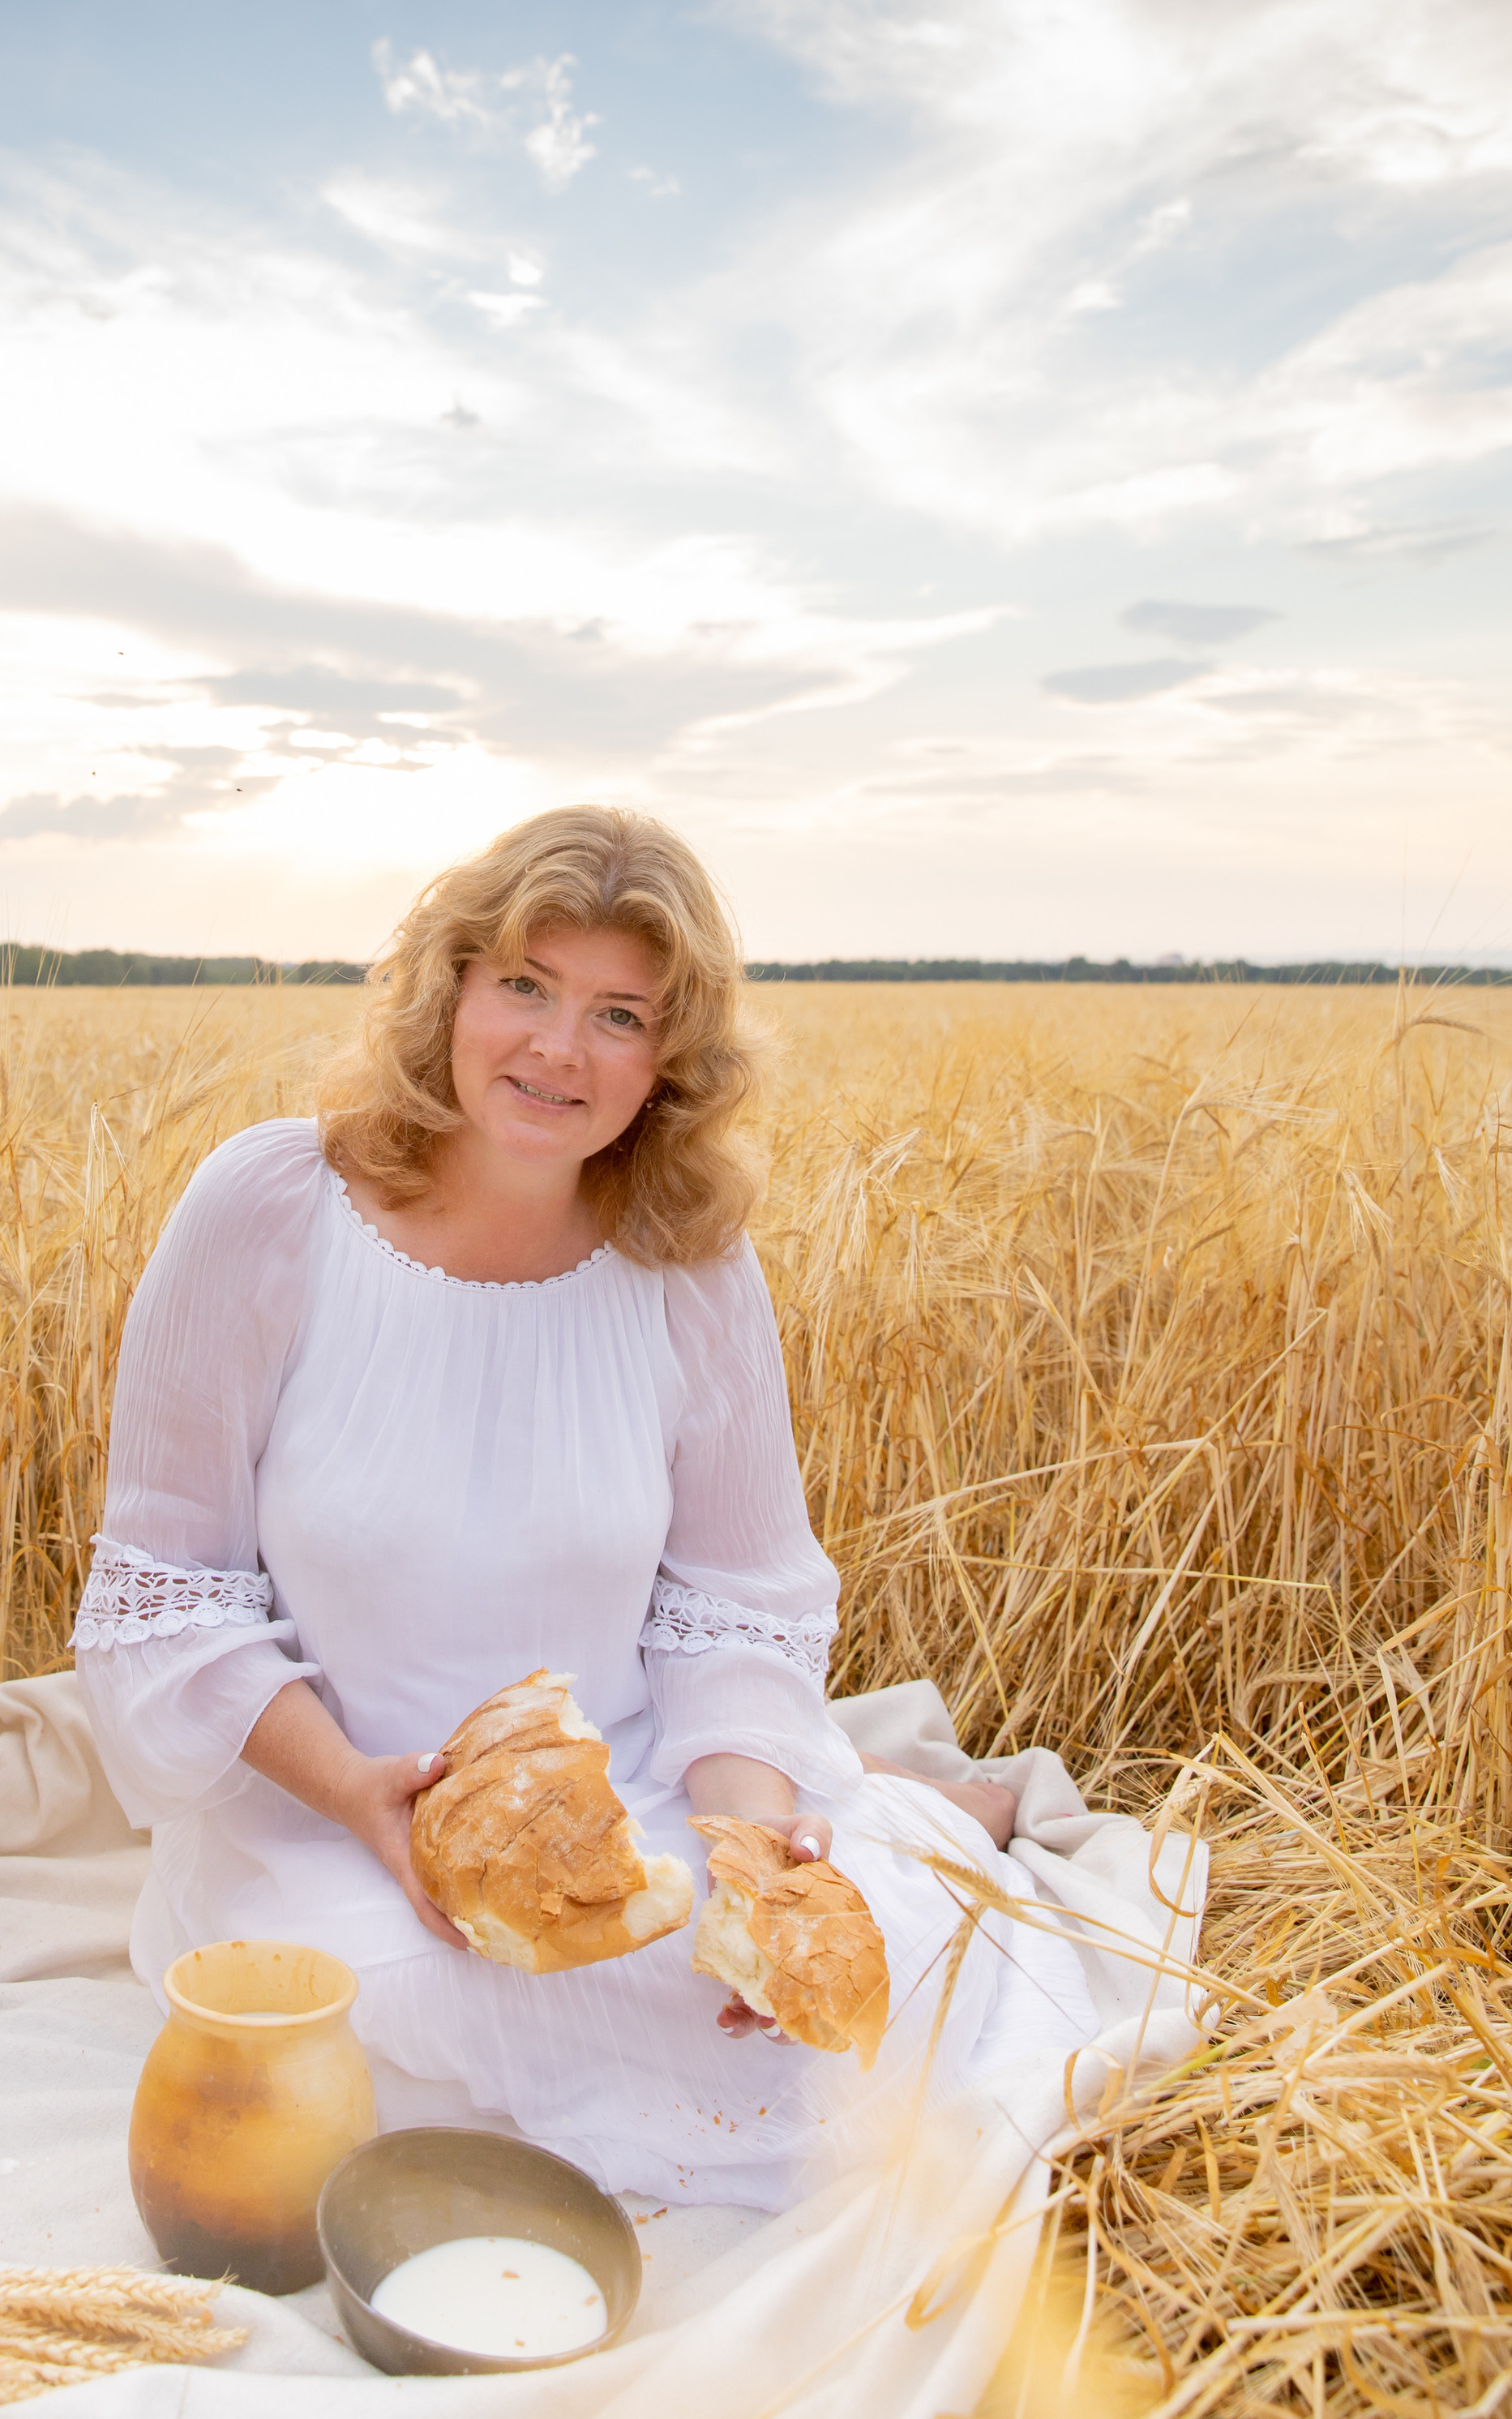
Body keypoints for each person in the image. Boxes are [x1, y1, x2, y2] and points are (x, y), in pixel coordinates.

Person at [75, 807, 1094, 2207]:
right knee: (405, 2004)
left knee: (857, 1965)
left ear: (670, 1065)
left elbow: (733, 1604)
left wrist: (748, 1854)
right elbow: (165, 1591)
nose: (559, 1049)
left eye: (619, 1014)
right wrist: (365, 1798)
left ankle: (890, 1816)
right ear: (451, 990)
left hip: (632, 1797)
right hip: (337, 1811)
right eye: (525, 988)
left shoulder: (690, 1267)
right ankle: (908, 1808)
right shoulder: (268, 1208)